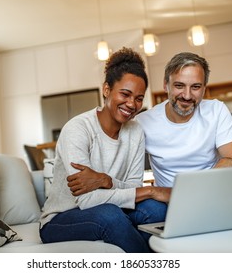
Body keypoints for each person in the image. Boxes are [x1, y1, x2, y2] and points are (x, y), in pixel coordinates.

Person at [39, 47, 170, 253]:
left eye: (138, 98)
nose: (131, 104)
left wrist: (104, 181)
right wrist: (151, 190)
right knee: (110, 215)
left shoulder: (135, 131)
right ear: (107, 89)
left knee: (156, 209)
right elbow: (87, 199)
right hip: (62, 218)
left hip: (112, 206)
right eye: (125, 94)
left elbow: (133, 188)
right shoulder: (78, 129)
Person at [136, 52, 232, 188]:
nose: (187, 96)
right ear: (166, 85)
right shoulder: (143, 122)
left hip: (214, 191)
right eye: (179, 86)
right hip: (169, 202)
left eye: (195, 87)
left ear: (204, 88)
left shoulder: (217, 110)